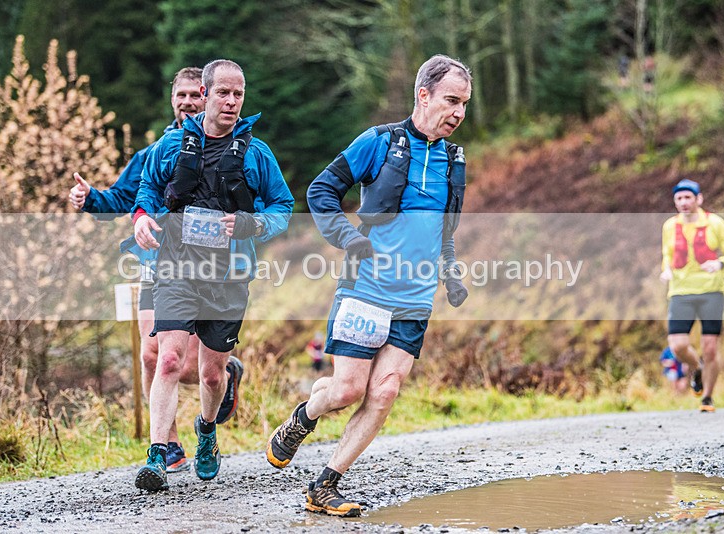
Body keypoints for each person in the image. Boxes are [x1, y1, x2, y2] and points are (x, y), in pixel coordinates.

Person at [266, 54, 471, 516]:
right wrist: (350, 239)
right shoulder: (380, 142)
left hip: (415, 299)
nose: (459, 112)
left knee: (386, 390)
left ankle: (325, 485)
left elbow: (443, 230)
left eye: (464, 104)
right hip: (366, 290)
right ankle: (303, 417)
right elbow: (321, 190)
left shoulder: (454, 160)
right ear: (424, 95)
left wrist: (451, 273)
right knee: (346, 391)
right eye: (451, 100)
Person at [68, 67, 243, 473]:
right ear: (172, 100)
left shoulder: (231, 148)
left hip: (209, 270)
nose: (187, 102)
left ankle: (225, 373)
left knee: (194, 369)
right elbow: (124, 198)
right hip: (157, 266)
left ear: (206, 97)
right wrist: (90, 197)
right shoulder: (157, 151)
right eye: (180, 95)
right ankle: (169, 445)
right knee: (156, 358)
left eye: (194, 95)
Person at [132, 59, 294, 491]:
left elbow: (283, 207)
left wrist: (251, 225)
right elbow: (147, 188)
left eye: (238, 94)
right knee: (168, 358)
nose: (231, 101)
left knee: (210, 375)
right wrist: (142, 217)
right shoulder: (171, 145)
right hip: (176, 268)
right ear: (204, 95)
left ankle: (206, 429)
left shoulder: (256, 154)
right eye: (223, 92)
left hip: (228, 277)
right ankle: (157, 455)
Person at [660, 178, 724, 412]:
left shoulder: (715, 223)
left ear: (699, 199)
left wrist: (720, 264)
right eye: (679, 198)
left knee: (710, 348)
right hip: (680, 291)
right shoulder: (669, 226)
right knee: (678, 346)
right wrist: (666, 269)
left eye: (688, 197)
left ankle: (707, 398)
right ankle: (697, 367)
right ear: (675, 202)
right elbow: (668, 254)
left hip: (711, 291)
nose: (684, 202)